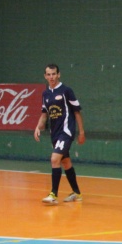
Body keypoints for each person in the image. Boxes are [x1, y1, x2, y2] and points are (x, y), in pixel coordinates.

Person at [34, 63, 85, 204]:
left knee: (54, 159)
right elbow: (44, 114)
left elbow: (77, 112)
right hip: (55, 134)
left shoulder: (66, 91)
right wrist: (38, 127)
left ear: (58, 74)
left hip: (66, 131)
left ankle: (53, 195)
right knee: (65, 161)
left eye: (54, 74)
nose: (51, 77)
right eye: (48, 74)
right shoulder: (45, 94)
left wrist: (81, 132)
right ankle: (77, 193)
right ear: (45, 76)